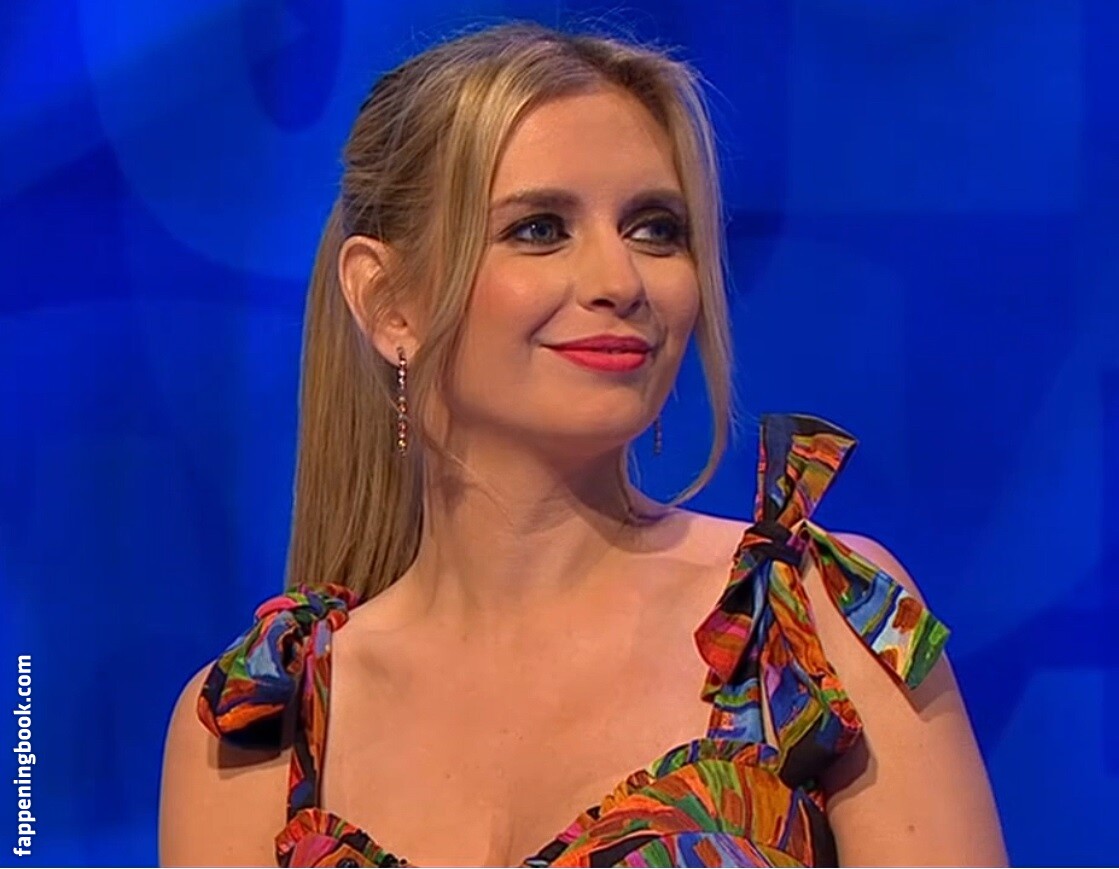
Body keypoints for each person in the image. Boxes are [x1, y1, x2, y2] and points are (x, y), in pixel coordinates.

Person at [158, 21, 1006, 868]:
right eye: (538, 228)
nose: (618, 281)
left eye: (654, 228)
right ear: (387, 302)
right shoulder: (255, 724)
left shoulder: (821, 621)